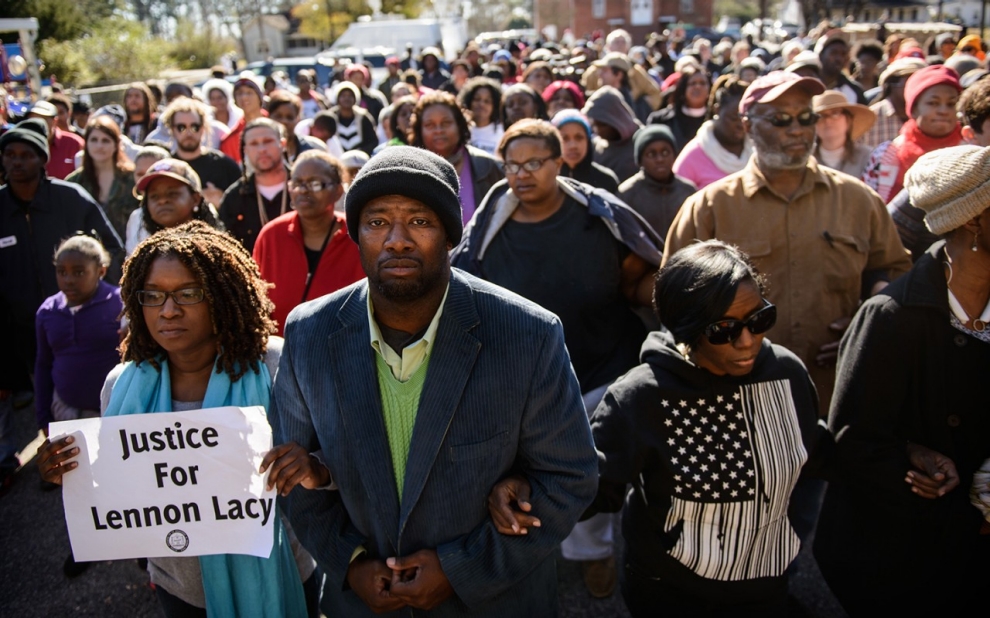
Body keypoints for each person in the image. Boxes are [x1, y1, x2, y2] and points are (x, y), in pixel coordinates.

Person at [268, 146, 599, 616]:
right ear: (356, 234)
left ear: (450, 237)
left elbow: (569, 477)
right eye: (377, 222)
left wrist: (463, 569)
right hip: (361, 603)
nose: (397, 240)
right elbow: (293, 476)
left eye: (420, 222)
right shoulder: (311, 332)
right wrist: (352, 564)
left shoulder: (526, 334)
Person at [492, 240, 829, 617]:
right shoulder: (641, 396)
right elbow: (586, 486)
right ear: (687, 329)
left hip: (767, 587)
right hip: (672, 595)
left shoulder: (788, 374)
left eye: (759, 320)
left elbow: (816, 454)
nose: (747, 341)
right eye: (723, 330)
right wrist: (525, 493)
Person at [37, 221, 321, 617]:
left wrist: (311, 466)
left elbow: (332, 459)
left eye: (187, 293)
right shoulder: (120, 386)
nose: (168, 311)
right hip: (180, 589)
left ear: (221, 297)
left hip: (283, 570)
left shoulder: (278, 363)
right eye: (152, 296)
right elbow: (117, 485)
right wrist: (71, 474)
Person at [451, 120, 661, 598]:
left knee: (591, 469)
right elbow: (467, 296)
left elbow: (639, 276)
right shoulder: (488, 228)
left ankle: (595, 554)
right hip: (524, 382)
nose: (521, 174)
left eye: (533, 163)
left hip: (603, 370)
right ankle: (532, 557)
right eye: (511, 165)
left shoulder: (598, 216)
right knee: (528, 474)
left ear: (559, 161)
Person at [663, 70, 913, 420]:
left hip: (838, 400)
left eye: (805, 117)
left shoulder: (859, 201)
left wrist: (863, 327)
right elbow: (675, 308)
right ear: (748, 126)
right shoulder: (708, 208)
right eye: (780, 120)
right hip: (740, 406)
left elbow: (897, 280)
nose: (796, 129)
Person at [814, 145, 990, 616]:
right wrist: (914, 461)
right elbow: (853, 443)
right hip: (902, 563)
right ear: (974, 221)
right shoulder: (892, 317)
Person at [0, 119, 123, 446]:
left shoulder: (71, 198)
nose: (16, 161)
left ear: (42, 159)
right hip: (18, 330)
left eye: (26, 154)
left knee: (84, 396)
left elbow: (113, 249)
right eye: (9, 154)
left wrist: (95, 297)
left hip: (82, 325)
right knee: (34, 395)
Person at [34, 234, 122, 576]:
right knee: (78, 484)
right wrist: (43, 414)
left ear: (100, 270)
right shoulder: (47, 312)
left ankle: (143, 545)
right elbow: (42, 364)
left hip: (109, 412)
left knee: (122, 477)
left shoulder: (119, 305)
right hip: (67, 410)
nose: (68, 280)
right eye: (61, 272)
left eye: (78, 272)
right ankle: (86, 544)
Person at [253, 151, 364, 335]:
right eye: (297, 183)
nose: (303, 190)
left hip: (342, 354)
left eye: (314, 183)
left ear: (338, 191)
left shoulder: (357, 238)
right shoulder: (271, 236)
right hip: (279, 354)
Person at [863, 65, 963, 203]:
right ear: (914, 109)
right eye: (933, 103)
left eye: (951, 104)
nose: (943, 111)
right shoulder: (887, 155)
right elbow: (871, 209)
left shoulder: (973, 150)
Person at [408, 91, 503, 224]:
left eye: (446, 123)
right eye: (430, 125)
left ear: (460, 125)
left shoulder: (487, 166)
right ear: (419, 130)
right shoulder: (408, 171)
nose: (438, 130)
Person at [219, 118, 290, 253]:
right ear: (245, 150)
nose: (262, 149)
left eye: (267, 141)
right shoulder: (234, 198)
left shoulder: (303, 188)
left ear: (283, 144)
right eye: (254, 143)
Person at [673, 74, 753, 190]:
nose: (741, 125)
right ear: (718, 110)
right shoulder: (693, 157)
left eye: (745, 118)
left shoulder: (757, 152)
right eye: (733, 118)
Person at [159, 97, 241, 209]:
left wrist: (223, 201)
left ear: (203, 128)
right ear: (172, 130)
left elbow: (242, 206)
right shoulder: (165, 168)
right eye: (181, 127)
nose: (188, 133)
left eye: (194, 127)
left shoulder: (225, 166)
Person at [65, 116, 138, 240]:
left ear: (116, 145)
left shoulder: (132, 178)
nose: (99, 146)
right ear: (86, 143)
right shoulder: (74, 183)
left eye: (105, 140)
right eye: (94, 140)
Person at [619, 125, 697, 240]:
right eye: (651, 154)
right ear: (640, 160)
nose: (660, 159)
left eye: (665, 152)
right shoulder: (627, 194)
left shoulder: (688, 191)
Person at [858, 58, 926, 151]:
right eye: (910, 82)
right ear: (893, 84)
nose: (916, 88)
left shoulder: (929, 117)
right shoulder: (869, 119)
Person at [551, 109, 619, 195]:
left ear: (588, 140)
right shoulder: (547, 179)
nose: (573, 146)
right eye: (564, 138)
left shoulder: (606, 180)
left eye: (579, 137)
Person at [583, 86, 642, 183]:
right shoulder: (595, 147)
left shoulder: (642, 143)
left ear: (615, 119)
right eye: (595, 125)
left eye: (602, 125)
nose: (598, 130)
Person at [647, 64, 710, 154]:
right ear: (683, 89)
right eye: (692, 83)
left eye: (702, 83)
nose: (698, 87)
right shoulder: (660, 121)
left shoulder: (717, 122)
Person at [812, 90, 876, 179]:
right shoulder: (805, 160)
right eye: (821, 116)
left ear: (848, 120)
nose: (828, 120)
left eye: (835, 113)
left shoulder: (868, 157)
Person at [124, 146, 170, 255]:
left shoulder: (187, 211)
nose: (145, 179)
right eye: (140, 174)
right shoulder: (136, 217)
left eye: (152, 172)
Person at [27, 100, 84, 180]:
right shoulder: (23, 146)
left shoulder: (75, 143)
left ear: (54, 121)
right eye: (32, 121)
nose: (37, 125)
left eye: (43, 120)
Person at [266, 90, 326, 165]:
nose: (284, 121)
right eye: (278, 116)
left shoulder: (315, 149)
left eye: (290, 117)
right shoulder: (259, 150)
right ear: (269, 117)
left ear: (298, 119)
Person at [220, 75, 267, 164]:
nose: (244, 97)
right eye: (239, 93)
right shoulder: (229, 141)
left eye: (249, 92)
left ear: (259, 96)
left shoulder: (278, 126)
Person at [814, 30, 868, 105]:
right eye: (834, 53)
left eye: (843, 54)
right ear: (821, 55)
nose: (838, 58)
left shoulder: (855, 91)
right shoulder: (807, 84)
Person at [330, 82, 378, 156]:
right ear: (337, 98)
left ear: (355, 98)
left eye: (350, 96)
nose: (347, 98)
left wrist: (361, 152)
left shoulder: (363, 117)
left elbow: (373, 141)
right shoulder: (331, 116)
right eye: (343, 96)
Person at [458, 77, 503, 155]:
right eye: (477, 99)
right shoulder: (459, 130)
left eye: (487, 101)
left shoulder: (502, 133)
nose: (481, 104)